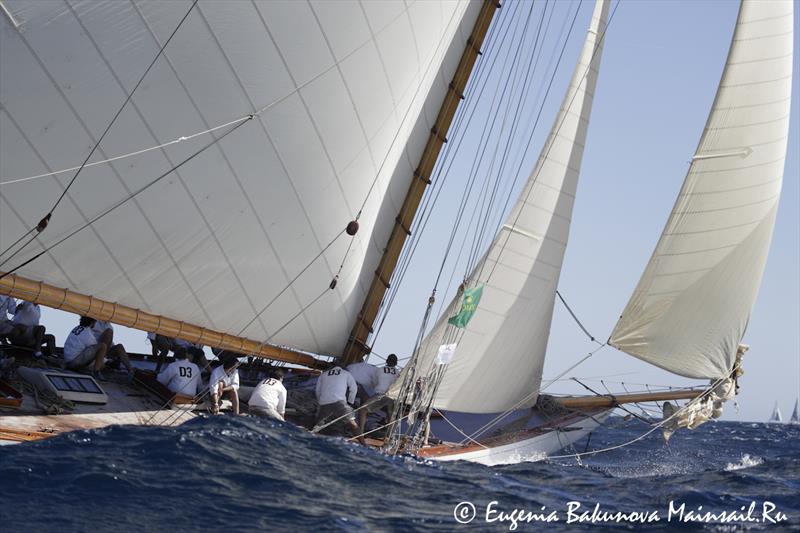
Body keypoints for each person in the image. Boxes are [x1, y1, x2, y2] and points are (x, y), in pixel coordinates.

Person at [63, 316, 131, 379]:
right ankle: (96, 372)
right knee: (102, 346)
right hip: (73, 363)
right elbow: (97, 351)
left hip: (70, 360)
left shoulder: (77, 328)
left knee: (119, 347)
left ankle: (131, 371)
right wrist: (106, 362)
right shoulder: (88, 335)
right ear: (93, 322)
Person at [315, 363, 361, 440]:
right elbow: (354, 388)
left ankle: (314, 435)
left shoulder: (323, 374)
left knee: (318, 425)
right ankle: (363, 443)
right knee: (353, 424)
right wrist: (350, 403)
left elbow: (317, 391)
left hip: (324, 403)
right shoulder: (346, 373)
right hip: (339, 403)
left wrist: (320, 402)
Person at [359, 354, 402, 434]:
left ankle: (360, 432)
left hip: (380, 395)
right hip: (392, 397)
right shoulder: (398, 372)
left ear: (386, 361)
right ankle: (389, 435)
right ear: (396, 363)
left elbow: (375, 383)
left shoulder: (379, 370)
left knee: (363, 410)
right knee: (391, 415)